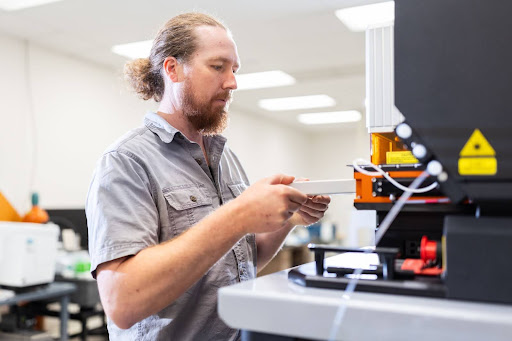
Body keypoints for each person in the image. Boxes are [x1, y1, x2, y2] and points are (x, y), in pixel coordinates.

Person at [86, 12, 331, 341]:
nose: (232, 82)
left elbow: (238, 264)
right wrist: (238, 216)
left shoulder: (225, 158)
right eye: (218, 66)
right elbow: (123, 302)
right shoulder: (126, 162)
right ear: (172, 69)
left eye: (234, 70)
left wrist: (289, 217)